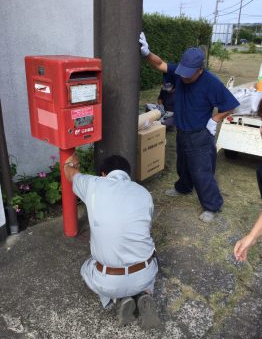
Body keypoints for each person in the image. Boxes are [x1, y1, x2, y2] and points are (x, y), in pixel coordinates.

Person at [139, 32, 240, 223]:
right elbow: (160, 64)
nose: (183, 77)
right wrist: (146, 53)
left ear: (200, 69)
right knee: (183, 164)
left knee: (201, 171)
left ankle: (212, 205)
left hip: (200, 134)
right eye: (182, 72)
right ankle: (183, 187)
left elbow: (230, 105)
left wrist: (214, 120)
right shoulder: (181, 71)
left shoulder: (211, 83)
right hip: (183, 130)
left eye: (188, 74)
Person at [64, 154, 160, 329]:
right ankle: (144, 293)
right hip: (145, 273)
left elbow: (69, 173)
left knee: (86, 267)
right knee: (146, 252)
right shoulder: (143, 193)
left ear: (103, 174)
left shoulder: (93, 184)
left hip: (109, 280)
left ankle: (119, 299)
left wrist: (72, 162)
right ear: (127, 175)